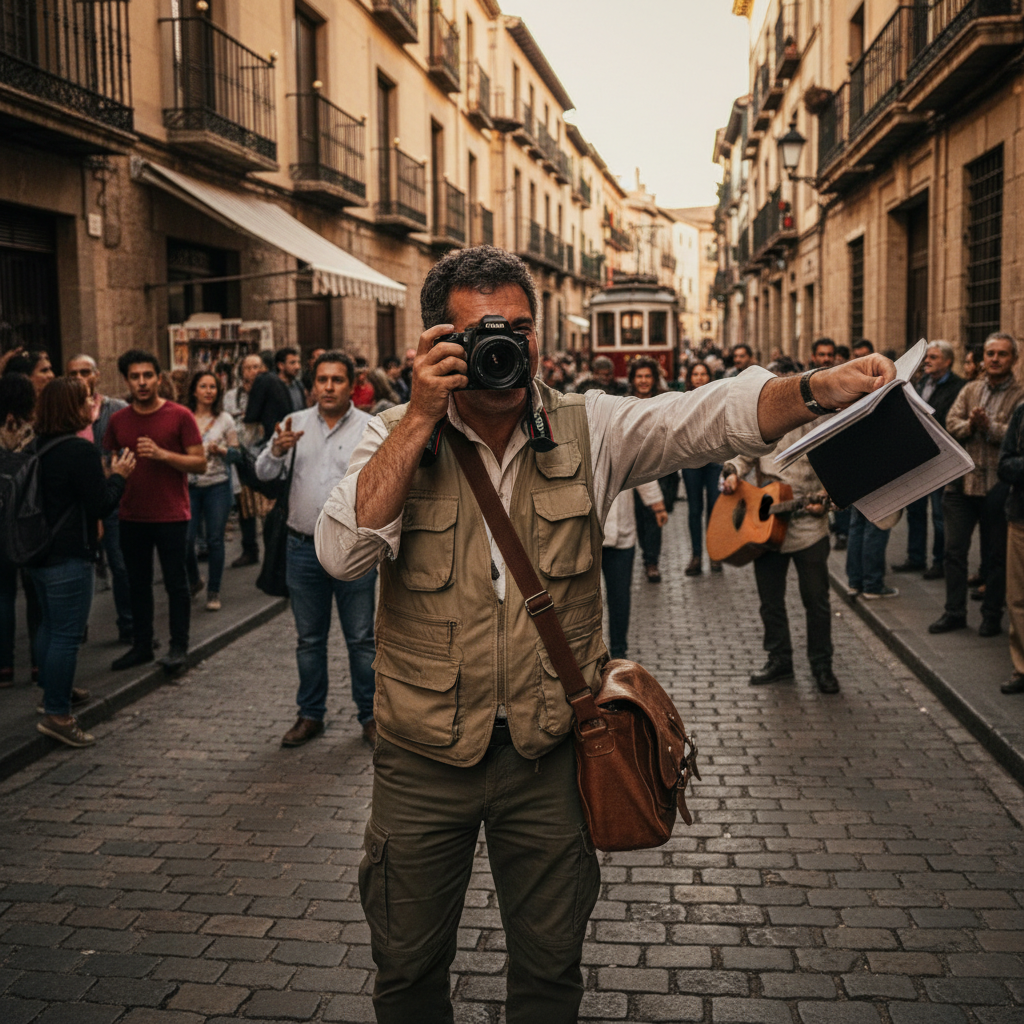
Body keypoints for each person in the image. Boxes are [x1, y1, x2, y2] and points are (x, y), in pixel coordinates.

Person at [313, 245, 895, 1023]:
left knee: (551, 970)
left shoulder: (595, 428)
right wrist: (420, 416)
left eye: (518, 331)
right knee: (408, 968)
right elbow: (343, 554)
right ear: (432, 347)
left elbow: (707, 415)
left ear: (539, 339)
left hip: (548, 755)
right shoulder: (389, 434)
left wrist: (816, 388)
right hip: (422, 761)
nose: (504, 350)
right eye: (483, 333)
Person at [255, 351, 376, 748]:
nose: (328, 387)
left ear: (351, 385)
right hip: (302, 548)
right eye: (322, 380)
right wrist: (275, 449)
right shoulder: (294, 424)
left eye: (337, 380)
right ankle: (310, 715)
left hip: (353, 551)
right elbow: (262, 474)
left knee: (360, 638)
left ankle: (371, 716)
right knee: (309, 639)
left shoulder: (370, 428)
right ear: (312, 385)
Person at [28, 377, 135, 747]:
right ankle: (58, 714)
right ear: (70, 408)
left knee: (48, 626)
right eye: (86, 401)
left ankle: (52, 693)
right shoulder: (78, 450)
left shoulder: (35, 445)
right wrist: (119, 477)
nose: (92, 406)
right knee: (67, 635)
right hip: (69, 554)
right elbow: (100, 503)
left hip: (36, 553)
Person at [721, 362, 838, 693]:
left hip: (809, 526)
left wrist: (827, 500)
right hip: (767, 526)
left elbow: (839, 470)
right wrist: (731, 473)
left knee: (816, 600)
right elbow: (743, 457)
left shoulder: (821, 421)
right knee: (770, 601)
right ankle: (779, 660)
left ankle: (822, 665)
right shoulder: (763, 423)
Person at [104, 350, 206, 674]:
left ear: (158, 378)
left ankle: (179, 647)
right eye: (135, 376)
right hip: (132, 515)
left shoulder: (180, 415)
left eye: (148, 375)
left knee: (176, 584)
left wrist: (162, 454)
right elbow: (107, 463)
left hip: (172, 515)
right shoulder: (118, 421)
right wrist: (114, 472)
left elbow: (200, 462)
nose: (142, 382)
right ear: (126, 380)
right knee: (138, 584)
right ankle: (142, 646)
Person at [930, 332, 1024, 637]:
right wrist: (972, 425)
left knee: (995, 557)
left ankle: (991, 615)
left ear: (1014, 359)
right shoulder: (970, 390)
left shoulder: (1021, 396)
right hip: (961, 486)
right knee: (953, 552)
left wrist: (991, 428)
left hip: (998, 488)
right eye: (990, 353)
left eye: (1002, 354)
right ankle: (954, 612)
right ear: (982, 358)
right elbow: (950, 423)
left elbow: (1016, 436)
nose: (995, 359)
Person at [65, 354, 133, 641]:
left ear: (97, 375)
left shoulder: (116, 409)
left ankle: (129, 627)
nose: (80, 378)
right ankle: (77, 630)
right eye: (73, 373)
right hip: (78, 505)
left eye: (85, 372)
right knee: (81, 570)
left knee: (120, 564)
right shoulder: (64, 413)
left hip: (112, 497)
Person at [892, 340, 965, 579]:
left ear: (948, 361)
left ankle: (940, 562)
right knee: (915, 511)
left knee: (939, 515)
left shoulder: (959, 387)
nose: (928, 361)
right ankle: (915, 557)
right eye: (927, 357)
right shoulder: (922, 382)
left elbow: (949, 419)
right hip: (917, 456)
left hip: (940, 457)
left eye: (933, 357)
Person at [185, 371, 238, 612]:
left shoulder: (225, 419)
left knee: (215, 539)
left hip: (217, 485)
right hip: (189, 486)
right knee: (186, 541)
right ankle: (195, 580)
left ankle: (213, 590)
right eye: (203, 386)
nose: (208, 391)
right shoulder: (184, 417)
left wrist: (222, 451)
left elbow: (237, 453)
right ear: (194, 390)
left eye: (213, 387)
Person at [0, 373, 39, 687]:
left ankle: (4, 665)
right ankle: (39, 663)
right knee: (36, 594)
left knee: (3, 596)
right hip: (29, 523)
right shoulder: (36, 435)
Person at [602, 482, 666, 659]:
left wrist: (657, 505)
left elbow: (641, 466)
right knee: (582, 599)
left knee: (620, 596)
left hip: (621, 532)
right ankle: (582, 655)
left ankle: (618, 652)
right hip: (581, 533)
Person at [628, 357, 675, 582]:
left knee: (655, 514)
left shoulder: (663, 401)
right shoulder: (625, 402)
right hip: (632, 468)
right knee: (638, 513)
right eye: (640, 377)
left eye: (648, 376)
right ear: (633, 379)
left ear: (654, 379)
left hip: (660, 466)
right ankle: (645, 555)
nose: (644, 381)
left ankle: (652, 561)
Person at [224, 353, 266, 567]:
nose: (253, 371)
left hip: (263, 453)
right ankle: (250, 549)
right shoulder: (232, 396)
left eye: (257, 367)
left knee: (267, 506)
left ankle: (273, 552)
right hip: (240, 454)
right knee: (245, 505)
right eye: (249, 368)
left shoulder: (268, 392)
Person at [680, 361, 722, 577]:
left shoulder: (718, 398)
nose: (699, 378)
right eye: (695, 374)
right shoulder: (683, 400)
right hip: (692, 461)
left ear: (709, 377)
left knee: (714, 508)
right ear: (690, 378)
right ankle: (696, 556)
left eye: (703, 374)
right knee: (695, 509)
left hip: (715, 461)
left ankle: (715, 553)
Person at [998, 401, 1024, 694]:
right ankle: (1022, 667)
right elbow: (1005, 464)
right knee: (1017, 597)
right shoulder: (1021, 411)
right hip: (1020, 518)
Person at [244, 349, 294, 442]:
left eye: (256, 367)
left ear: (263, 365)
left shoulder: (262, 380)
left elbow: (251, 415)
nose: (255, 371)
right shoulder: (278, 380)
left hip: (271, 434)